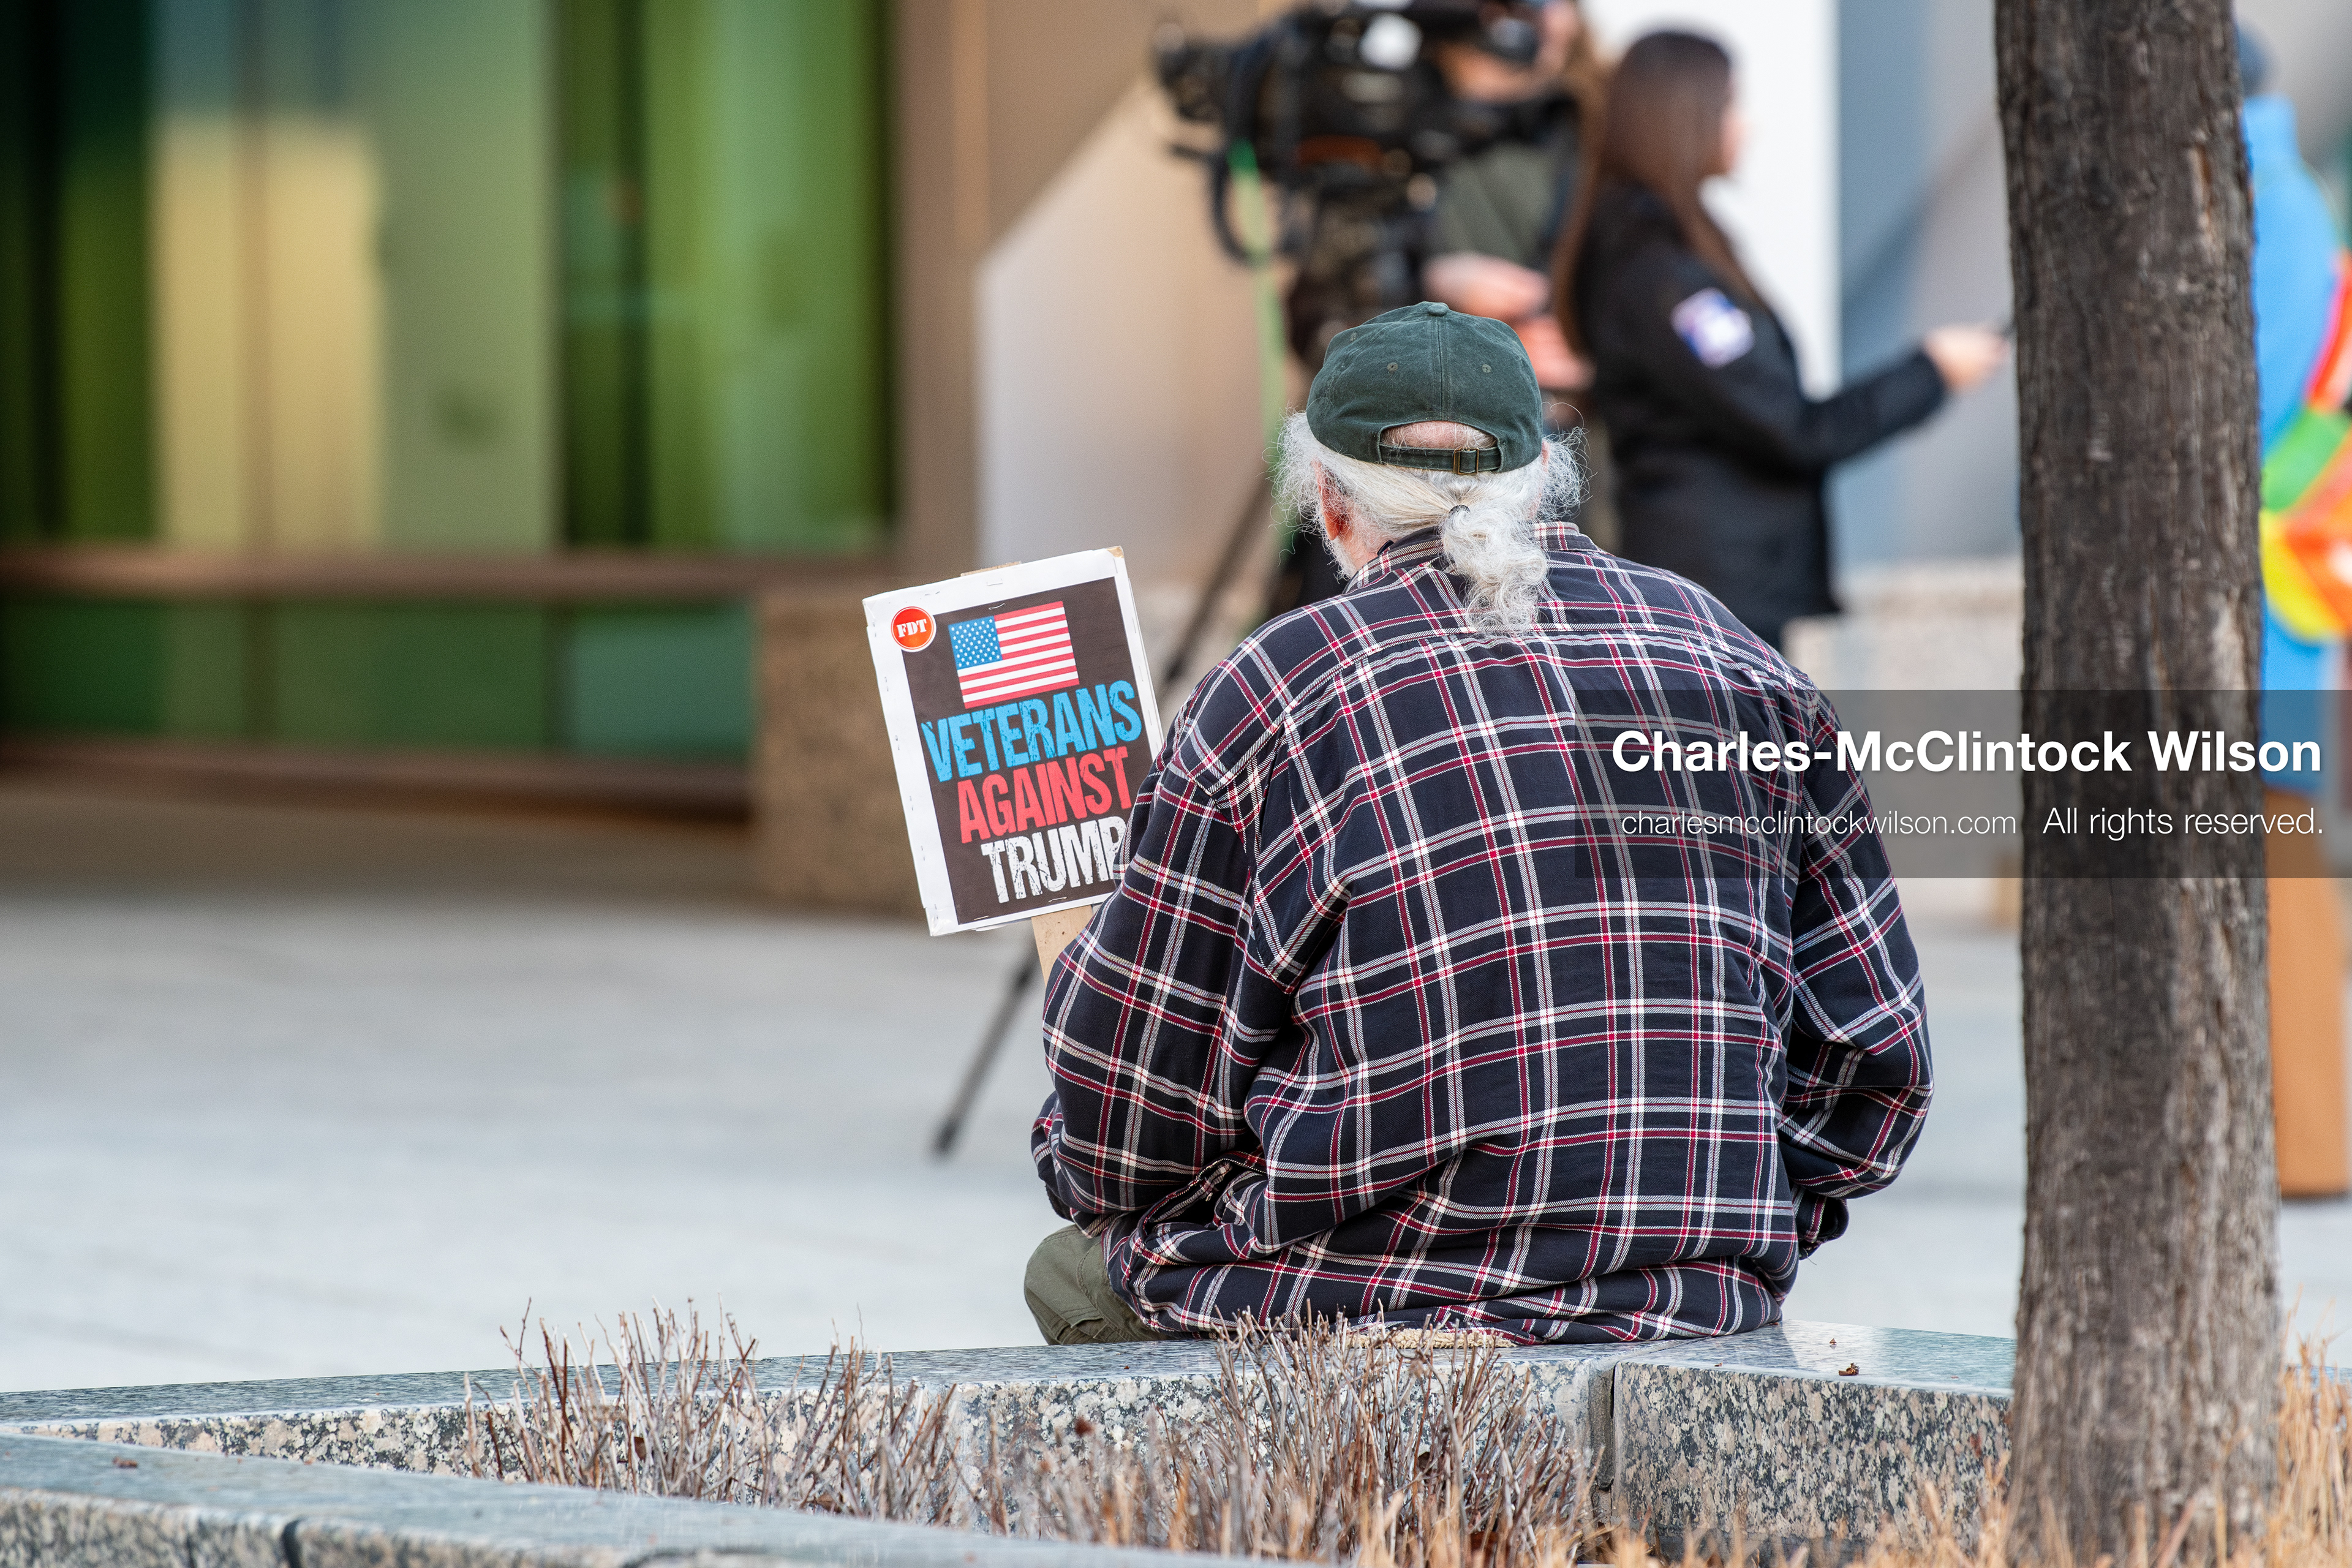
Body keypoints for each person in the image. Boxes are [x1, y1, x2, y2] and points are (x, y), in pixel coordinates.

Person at [1023, 302, 1931, 1344]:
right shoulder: (1736, 659)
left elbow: (1129, 1128)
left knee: (1071, 1276)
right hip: (1688, 1292)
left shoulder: (1278, 688)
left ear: (1328, 499)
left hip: (1351, 1295)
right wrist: (1726, 1214)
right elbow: (1874, 1066)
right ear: (1543, 475)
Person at [1553, 31, 2006, 649]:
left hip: (1718, 585)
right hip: (1711, 595)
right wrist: (1929, 373)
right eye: (1730, 104)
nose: (1746, 125)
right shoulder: (1665, 277)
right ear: (1687, 117)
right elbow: (1791, 427)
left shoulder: (1655, 249)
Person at [2240, 24, 2350, 1200]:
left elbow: (2241, 405)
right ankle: (2303, 1141)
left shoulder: (2257, 199)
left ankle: (2308, 1143)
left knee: (2269, 851)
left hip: (2249, 576)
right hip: (2281, 574)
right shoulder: (2290, 191)